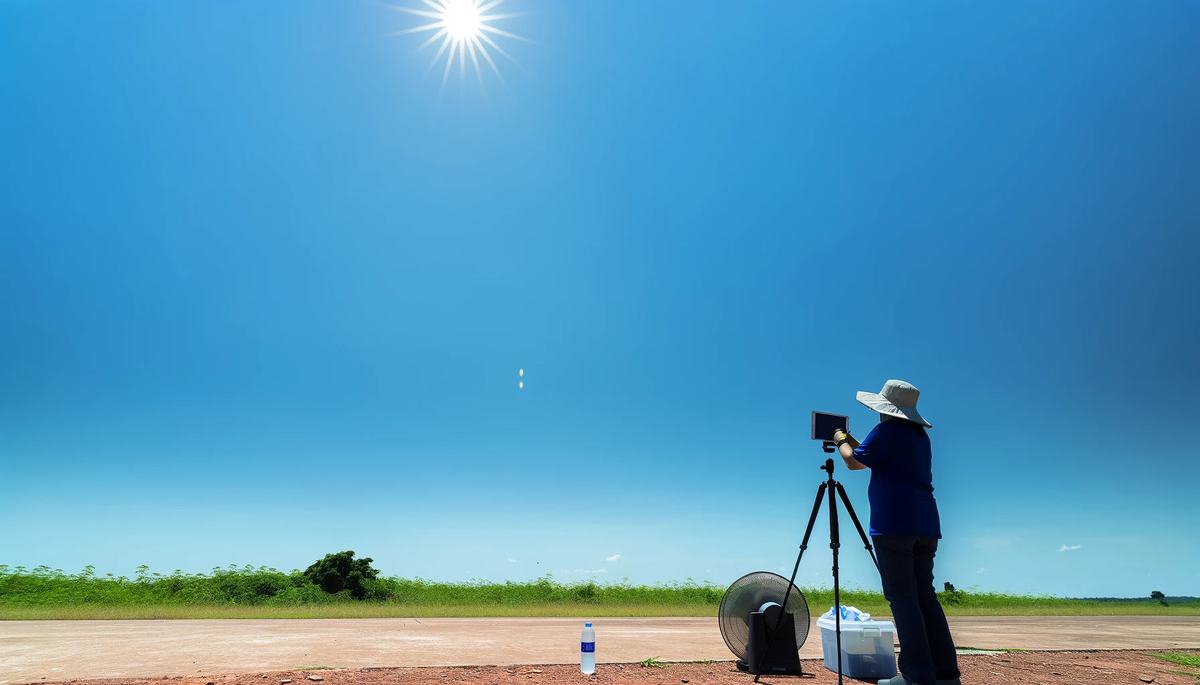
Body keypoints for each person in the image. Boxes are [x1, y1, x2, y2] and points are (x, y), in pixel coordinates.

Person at [832, 379, 961, 685]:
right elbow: (871, 456)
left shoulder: (886, 431)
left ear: (885, 409)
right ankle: (945, 673)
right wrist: (853, 440)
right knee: (925, 597)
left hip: (893, 525)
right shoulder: (918, 437)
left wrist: (839, 438)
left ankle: (917, 676)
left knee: (903, 599)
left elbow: (853, 462)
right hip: (926, 523)